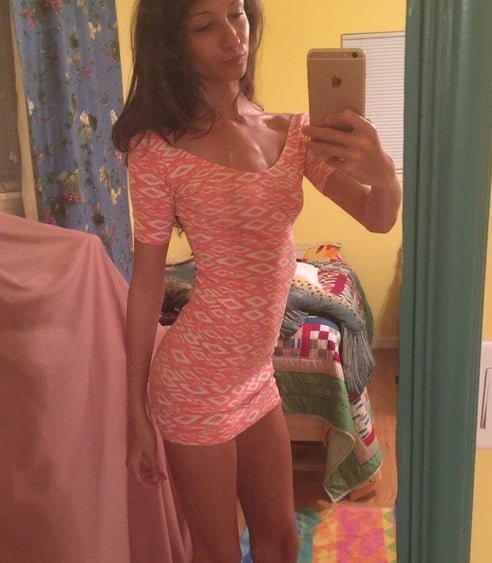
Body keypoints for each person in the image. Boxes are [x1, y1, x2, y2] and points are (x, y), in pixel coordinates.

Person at [111, 0, 401, 561]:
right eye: (205, 25)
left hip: (255, 375)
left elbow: (377, 217)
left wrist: (383, 173)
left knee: (281, 540)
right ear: (173, 44)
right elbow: (146, 287)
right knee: (218, 551)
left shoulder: (293, 133)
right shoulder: (156, 151)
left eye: (237, 13)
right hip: (194, 382)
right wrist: (135, 414)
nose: (232, 35)